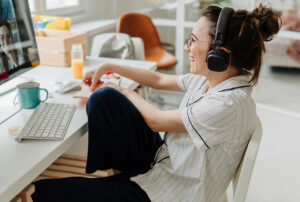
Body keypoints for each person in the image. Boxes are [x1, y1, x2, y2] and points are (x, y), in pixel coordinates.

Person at [32, 4, 281, 202]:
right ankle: (119, 180)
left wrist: (122, 89)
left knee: (43, 192)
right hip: (166, 161)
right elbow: (159, 79)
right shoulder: (211, 80)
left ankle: (121, 187)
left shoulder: (228, 104)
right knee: (105, 99)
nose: (186, 47)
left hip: (171, 191)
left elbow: (155, 121)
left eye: (193, 40)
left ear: (219, 54)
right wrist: (109, 66)